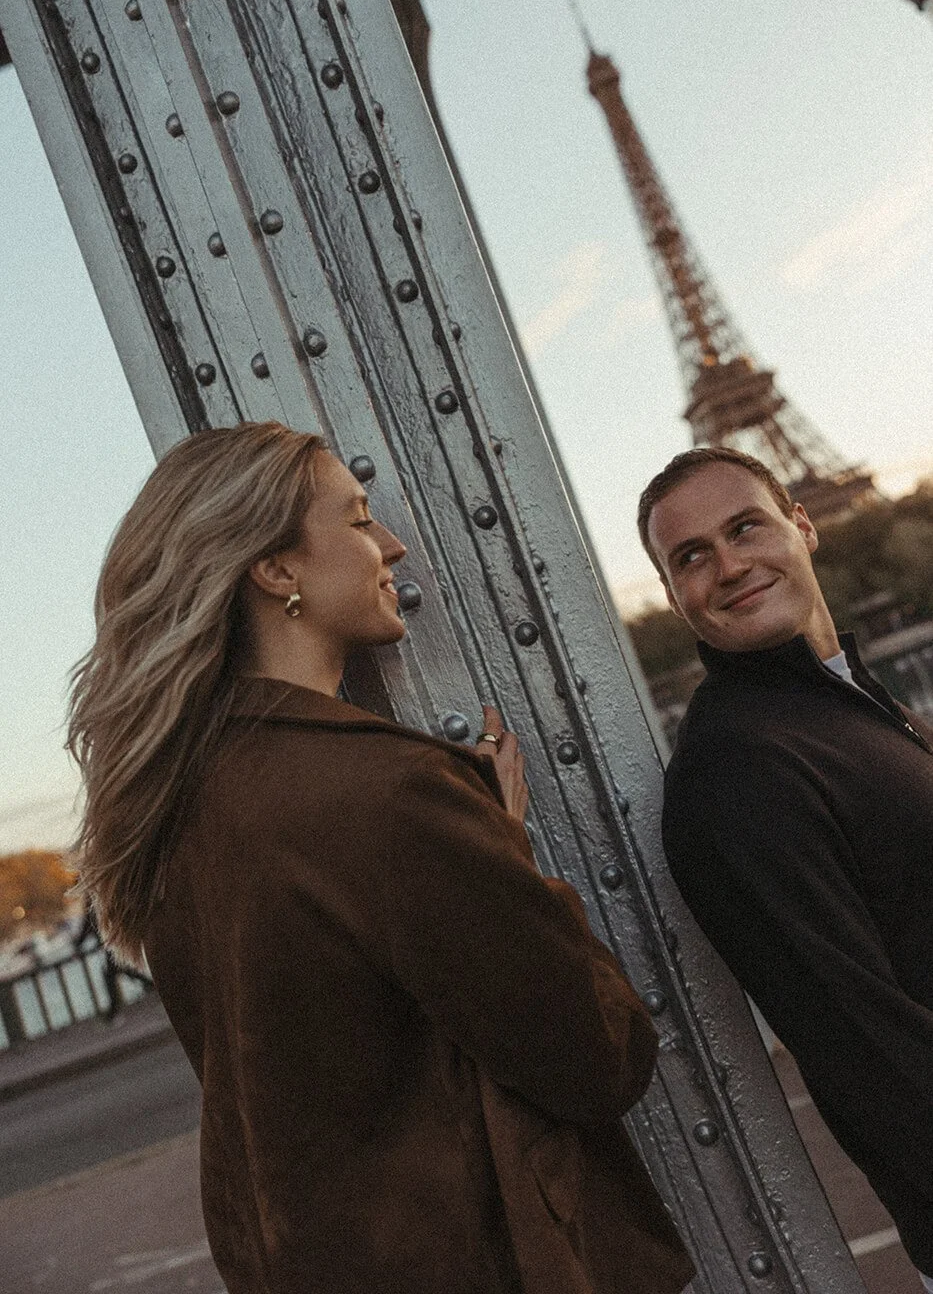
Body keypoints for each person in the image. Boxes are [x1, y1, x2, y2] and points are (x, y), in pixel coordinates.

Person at [68, 421, 693, 1294]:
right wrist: (505, 855)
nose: (393, 544)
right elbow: (599, 1056)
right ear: (277, 570)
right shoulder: (388, 793)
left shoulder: (177, 811)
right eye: (359, 520)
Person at [637, 445, 933, 1290]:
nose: (728, 566)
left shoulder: (854, 705)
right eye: (691, 556)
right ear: (672, 595)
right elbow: (865, 1049)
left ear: (801, 526)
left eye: (744, 528)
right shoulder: (736, 772)